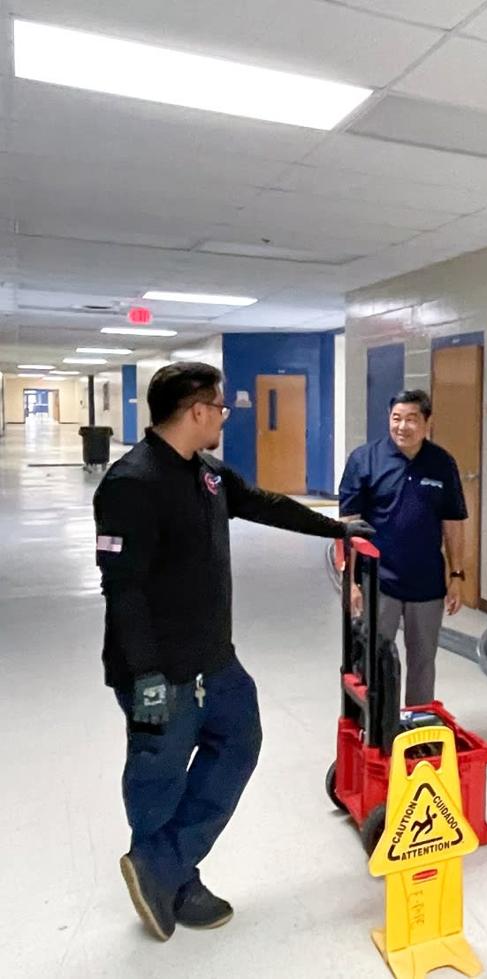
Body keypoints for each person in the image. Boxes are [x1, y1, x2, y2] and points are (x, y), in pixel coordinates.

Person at [93, 362, 370, 942]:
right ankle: (178, 879)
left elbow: (265, 502)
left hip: (214, 659)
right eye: (220, 408)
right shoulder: (131, 483)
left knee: (241, 743)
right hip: (159, 670)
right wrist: (145, 674)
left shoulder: (209, 474)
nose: (224, 417)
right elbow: (124, 589)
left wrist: (338, 528)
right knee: (159, 776)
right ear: (196, 411)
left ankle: (160, 865)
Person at [338, 390, 468, 706]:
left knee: (423, 661)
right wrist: (350, 580)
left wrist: (457, 574)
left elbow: (453, 523)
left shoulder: (441, 463)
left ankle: (416, 727)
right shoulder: (364, 459)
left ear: (427, 423)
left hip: (427, 581)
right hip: (378, 579)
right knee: (374, 658)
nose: (402, 426)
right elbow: (347, 524)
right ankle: (376, 727)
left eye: (411, 419)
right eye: (396, 418)